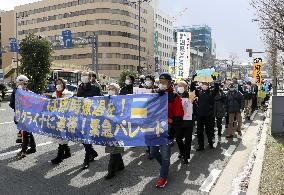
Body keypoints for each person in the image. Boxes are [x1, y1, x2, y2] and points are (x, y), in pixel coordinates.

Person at [150, 73, 184, 188]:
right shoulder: (155, 94)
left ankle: (163, 177)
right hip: (155, 129)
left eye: (164, 82)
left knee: (165, 156)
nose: (161, 84)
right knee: (153, 152)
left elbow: (179, 117)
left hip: (167, 131)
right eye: (160, 82)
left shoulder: (175, 97)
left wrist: (172, 131)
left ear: (170, 83)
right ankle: (165, 166)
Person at [77, 71, 101, 170]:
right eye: (82, 75)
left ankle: (86, 160)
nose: (84, 77)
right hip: (81, 115)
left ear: (90, 77)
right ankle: (93, 152)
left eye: (86, 75)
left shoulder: (95, 88)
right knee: (82, 137)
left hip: (91, 116)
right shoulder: (80, 88)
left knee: (87, 138)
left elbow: (99, 101)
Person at [10, 75, 37, 158]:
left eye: (26, 83)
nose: (25, 85)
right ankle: (32, 148)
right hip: (20, 115)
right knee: (27, 131)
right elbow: (12, 104)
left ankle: (24, 150)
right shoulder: (16, 92)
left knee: (26, 132)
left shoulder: (29, 92)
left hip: (27, 115)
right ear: (19, 84)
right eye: (23, 84)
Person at [50, 78, 74, 164]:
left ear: (64, 84)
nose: (58, 85)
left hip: (65, 118)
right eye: (57, 83)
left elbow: (70, 106)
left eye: (60, 83)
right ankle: (67, 152)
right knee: (61, 137)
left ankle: (59, 157)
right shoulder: (54, 94)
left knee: (62, 137)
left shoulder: (68, 94)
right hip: (57, 118)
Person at [104, 83, 125, 179]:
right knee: (113, 148)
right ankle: (120, 165)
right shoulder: (105, 100)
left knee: (114, 148)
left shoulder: (121, 100)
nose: (110, 90)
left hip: (118, 127)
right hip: (108, 126)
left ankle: (111, 171)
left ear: (117, 90)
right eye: (109, 88)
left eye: (113, 89)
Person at [193, 78, 218, 151]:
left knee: (209, 131)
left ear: (208, 85)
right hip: (200, 115)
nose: (204, 85)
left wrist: (215, 81)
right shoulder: (199, 92)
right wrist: (193, 80)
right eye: (203, 84)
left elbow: (216, 89)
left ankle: (210, 144)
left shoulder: (211, 93)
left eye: (206, 84)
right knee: (199, 132)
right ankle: (201, 146)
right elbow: (192, 88)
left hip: (208, 115)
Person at [176, 81, 194, 164]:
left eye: (181, 86)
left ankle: (186, 157)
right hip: (178, 121)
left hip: (188, 121)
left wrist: (193, 103)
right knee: (178, 138)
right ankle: (182, 151)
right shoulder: (176, 95)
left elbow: (195, 108)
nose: (179, 87)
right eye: (178, 86)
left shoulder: (190, 95)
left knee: (188, 139)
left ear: (186, 87)